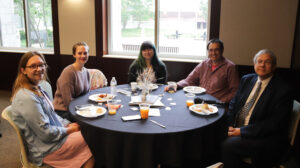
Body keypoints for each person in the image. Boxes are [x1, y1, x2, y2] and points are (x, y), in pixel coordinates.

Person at [10, 51, 95, 168]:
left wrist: (69, 124)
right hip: (46, 149)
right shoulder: (26, 97)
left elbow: (53, 115)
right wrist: (69, 130)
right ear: (23, 70)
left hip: (54, 138)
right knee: (91, 140)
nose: (39, 69)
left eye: (41, 65)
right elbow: (45, 133)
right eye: (33, 66)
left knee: (89, 136)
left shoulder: (38, 88)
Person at [222, 49, 293, 168]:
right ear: (254, 64)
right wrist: (230, 124)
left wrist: (241, 132)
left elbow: (274, 124)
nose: (262, 65)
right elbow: (234, 103)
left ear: (274, 66)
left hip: (265, 137)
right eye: (259, 61)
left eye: (267, 62)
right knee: (214, 132)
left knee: (227, 145)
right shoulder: (247, 79)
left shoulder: (283, 90)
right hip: (238, 127)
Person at [165, 39, 239, 103]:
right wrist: (176, 85)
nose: (213, 53)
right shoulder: (204, 63)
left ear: (222, 50)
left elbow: (235, 91)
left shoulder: (230, 67)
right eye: (211, 50)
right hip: (200, 101)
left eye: (216, 50)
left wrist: (221, 102)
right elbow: (190, 79)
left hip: (217, 104)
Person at [53, 42, 90, 121]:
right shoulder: (68, 72)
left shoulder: (86, 72)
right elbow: (68, 102)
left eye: (85, 53)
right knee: (90, 120)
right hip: (63, 111)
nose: (83, 56)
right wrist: (86, 110)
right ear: (74, 55)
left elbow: (87, 95)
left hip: (79, 108)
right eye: (79, 53)